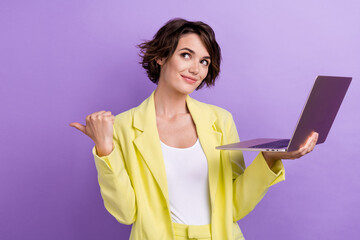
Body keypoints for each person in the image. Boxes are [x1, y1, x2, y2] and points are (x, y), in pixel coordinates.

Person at [70, 18, 318, 240]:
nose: (195, 69)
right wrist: (105, 150)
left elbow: (234, 207)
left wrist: (270, 157)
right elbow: (126, 213)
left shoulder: (220, 121)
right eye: (186, 55)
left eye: (204, 61)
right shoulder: (124, 126)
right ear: (161, 56)